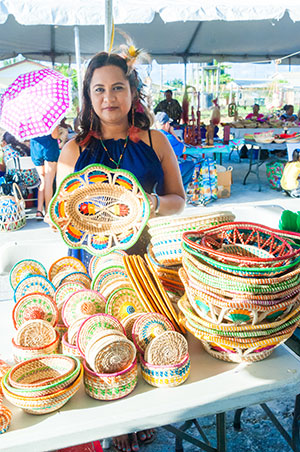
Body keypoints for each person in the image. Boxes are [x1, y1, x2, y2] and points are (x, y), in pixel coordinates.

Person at [55, 50, 185, 452]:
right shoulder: (74, 149)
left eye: (117, 87)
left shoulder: (155, 140)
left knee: (146, 333)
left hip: (144, 260)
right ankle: (118, 423)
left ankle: (145, 412)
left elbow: (178, 199)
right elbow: (63, 214)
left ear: (132, 92)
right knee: (103, 340)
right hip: (93, 264)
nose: (108, 97)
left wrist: (145, 203)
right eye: (99, 90)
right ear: (88, 98)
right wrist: (63, 216)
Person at [155, 111, 195, 189]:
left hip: (154, 171)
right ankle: (182, 190)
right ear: (166, 124)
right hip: (166, 172)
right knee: (190, 164)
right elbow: (183, 149)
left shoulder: (151, 135)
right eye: (168, 124)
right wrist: (173, 133)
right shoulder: (169, 137)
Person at [30, 126, 60, 219]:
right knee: (49, 181)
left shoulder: (29, 118)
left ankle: (39, 211)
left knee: (42, 181)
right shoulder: (49, 117)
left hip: (35, 148)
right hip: (49, 148)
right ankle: (48, 212)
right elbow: (54, 135)